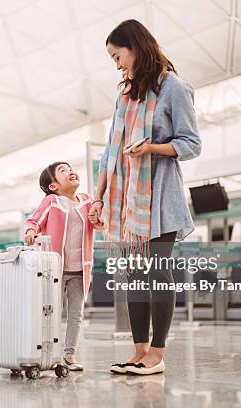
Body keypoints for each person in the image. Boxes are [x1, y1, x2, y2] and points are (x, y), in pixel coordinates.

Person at [88, 19, 202, 375]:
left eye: (118, 56)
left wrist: (152, 147)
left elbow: (191, 143)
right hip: (126, 205)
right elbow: (110, 152)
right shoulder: (123, 98)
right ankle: (138, 352)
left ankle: (157, 353)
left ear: (136, 47)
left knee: (157, 275)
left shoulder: (175, 89)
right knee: (134, 276)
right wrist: (98, 199)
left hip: (160, 200)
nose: (117, 64)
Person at [24, 161, 104, 371]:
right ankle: (43, 353)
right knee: (50, 312)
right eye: (63, 171)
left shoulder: (87, 200)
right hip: (54, 270)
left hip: (80, 270)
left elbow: (99, 223)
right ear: (53, 186)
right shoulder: (52, 201)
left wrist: (98, 217)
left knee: (76, 314)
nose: (70, 172)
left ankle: (69, 356)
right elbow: (33, 221)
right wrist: (31, 232)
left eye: (70, 168)